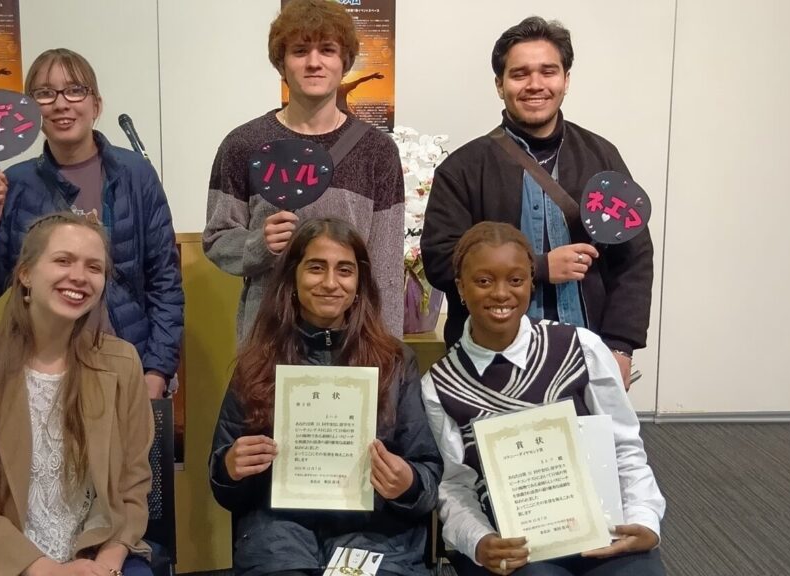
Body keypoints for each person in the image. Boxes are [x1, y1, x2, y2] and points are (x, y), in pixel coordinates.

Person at [421, 16, 653, 389]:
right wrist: (539, 267)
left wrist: (620, 348)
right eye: (519, 74)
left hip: (587, 354)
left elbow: (634, 258)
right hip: (490, 361)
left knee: (594, 446)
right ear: (500, 84)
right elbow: (439, 260)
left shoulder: (600, 156)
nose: (535, 85)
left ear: (566, 80)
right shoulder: (463, 168)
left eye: (548, 71)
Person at [422, 221, 665, 576]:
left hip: (599, 522)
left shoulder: (580, 347)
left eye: (516, 280)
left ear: (531, 282)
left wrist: (644, 519)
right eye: (483, 281)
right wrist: (479, 540)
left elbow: (624, 447)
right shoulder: (440, 384)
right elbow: (454, 484)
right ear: (460, 287)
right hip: (511, 539)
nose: (501, 293)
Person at [209, 218, 442, 576]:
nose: (331, 283)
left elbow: (426, 474)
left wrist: (407, 483)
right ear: (292, 280)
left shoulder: (395, 361)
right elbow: (224, 486)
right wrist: (231, 468)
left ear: (360, 285)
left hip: (377, 537)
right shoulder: (257, 362)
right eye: (316, 268)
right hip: (278, 537)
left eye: (344, 270)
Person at [0, 212, 155, 576]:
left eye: (94, 267)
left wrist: (108, 563)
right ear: (26, 274)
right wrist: (45, 570)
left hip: (93, 549)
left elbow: (133, 482)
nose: (79, 276)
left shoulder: (122, 362)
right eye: (63, 261)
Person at [0, 48, 183, 399]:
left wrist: (157, 370)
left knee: (123, 456)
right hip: (40, 367)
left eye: (74, 90)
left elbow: (165, 282)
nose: (61, 104)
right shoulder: (15, 183)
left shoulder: (135, 175)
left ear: (96, 105)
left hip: (125, 360)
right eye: (45, 94)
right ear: (30, 111)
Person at [203, 0, 404, 343]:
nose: (314, 63)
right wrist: (258, 243)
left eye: (327, 50)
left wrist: (388, 354)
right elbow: (217, 239)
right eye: (299, 51)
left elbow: (385, 268)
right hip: (266, 338)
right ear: (281, 63)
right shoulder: (243, 144)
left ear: (345, 62)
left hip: (352, 341)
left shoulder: (378, 152)